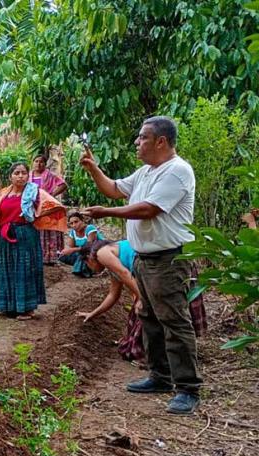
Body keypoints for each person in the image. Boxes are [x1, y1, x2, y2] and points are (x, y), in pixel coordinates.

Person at [80, 115, 201, 414]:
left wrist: (107, 212)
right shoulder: (146, 172)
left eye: (143, 137)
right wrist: (94, 169)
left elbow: (148, 209)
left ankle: (187, 388)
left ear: (161, 141)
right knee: (149, 316)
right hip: (144, 259)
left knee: (173, 319)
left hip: (168, 259)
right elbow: (113, 188)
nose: (137, 142)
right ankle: (160, 376)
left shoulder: (177, 171)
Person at [76, 239, 207, 362]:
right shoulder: (111, 263)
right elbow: (113, 295)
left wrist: (141, 298)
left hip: (163, 270)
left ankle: (173, 355)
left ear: (89, 258)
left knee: (159, 315)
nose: (90, 269)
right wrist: (92, 314)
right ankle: (167, 353)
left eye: (87, 264)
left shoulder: (102, 253)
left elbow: (125, 274)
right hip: (161, 271)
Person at [0, 162, 66, 320]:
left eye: (23, 173)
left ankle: (26, 309)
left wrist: (37, 215)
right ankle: (7, 306)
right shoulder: (2, 194)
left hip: (26, 235)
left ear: (28, 175)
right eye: (16, 173)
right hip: (5, 236)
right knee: (5, 269)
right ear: (10, 176)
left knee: (26, 270)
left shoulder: (35, 192)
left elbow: (56, 206)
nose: (20, 176)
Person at [29, 154, 68, 265]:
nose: (38, 164)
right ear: (33, 162)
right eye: (36, 161)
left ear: (45, 164)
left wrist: (52, 195)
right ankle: (34, 256)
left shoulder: (50, 175)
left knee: (47, 230)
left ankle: (49, 257)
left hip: (47, 206)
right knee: (34, 230)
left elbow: (63, 185)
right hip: (32, 206)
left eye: (41, 162)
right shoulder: (28, 175)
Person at [58, 211, 103, 277]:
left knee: (83, 254)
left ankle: (85, 270)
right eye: (71, 223)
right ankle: (85, 268)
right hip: (83, 253)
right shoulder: (73, 232)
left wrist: (73, 250)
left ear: (82, 221)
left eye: (76, 222)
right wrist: (66, 251)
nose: (74, 225)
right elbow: (71, 247)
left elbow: (89, 246)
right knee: (63, 256)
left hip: (97, 252)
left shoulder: (90, 228)